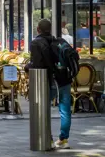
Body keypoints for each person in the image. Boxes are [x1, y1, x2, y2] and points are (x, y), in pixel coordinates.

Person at [28, 19, 73, 149]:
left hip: (47, 80)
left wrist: (28, 66)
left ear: (38, 29)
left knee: (43, 109)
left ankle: (47, 139)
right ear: (50, 29)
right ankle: (64, 139)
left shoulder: (36, 43)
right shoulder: (58, 41)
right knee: (65, 110)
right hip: (64, 79)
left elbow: (37, 64)